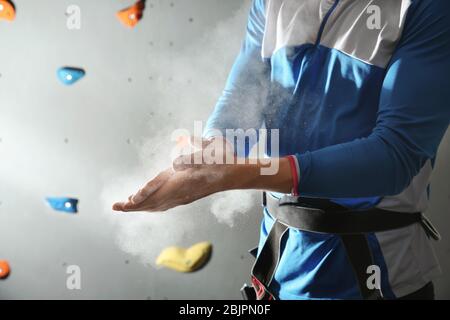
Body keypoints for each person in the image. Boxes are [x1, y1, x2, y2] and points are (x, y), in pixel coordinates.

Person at [113, 0, 450, 300]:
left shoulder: (426, 7)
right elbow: (242, 101)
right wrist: (210, 156)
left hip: (378, 279)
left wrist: (236, 175)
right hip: (277, 271)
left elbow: (394, 157)